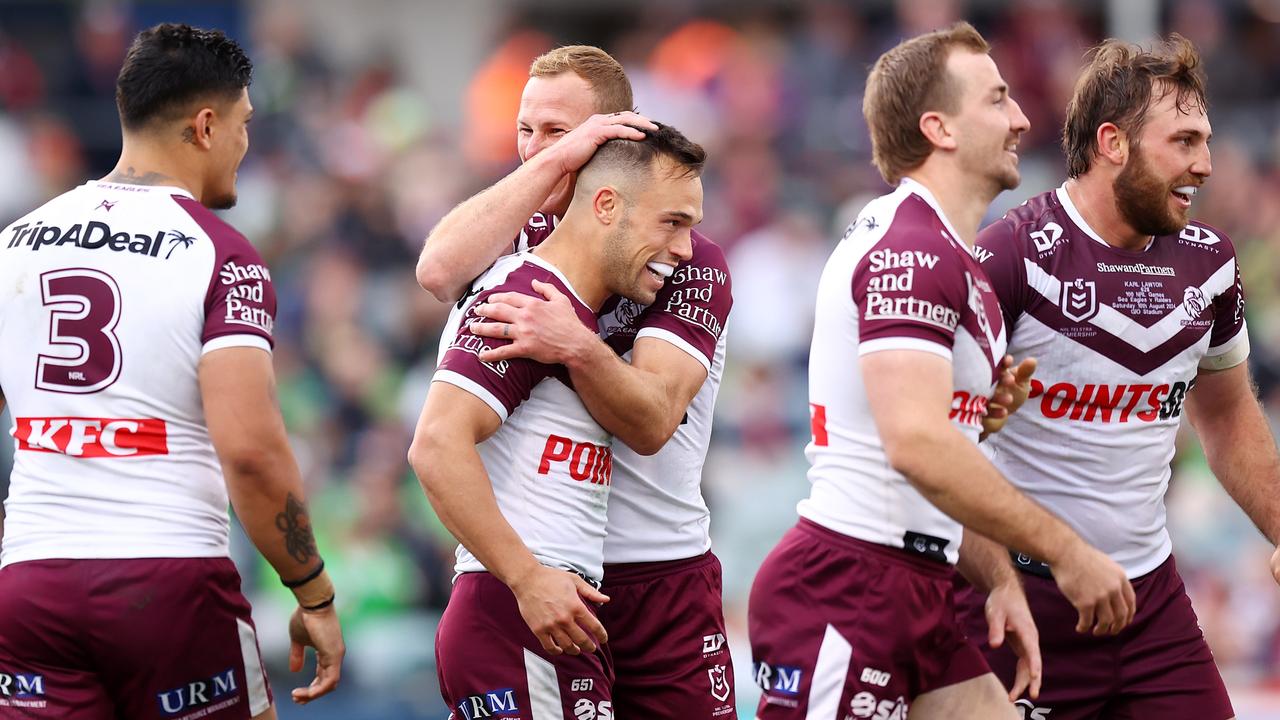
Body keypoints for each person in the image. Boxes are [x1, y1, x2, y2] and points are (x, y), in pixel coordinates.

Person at [747, 22, 1135, 720]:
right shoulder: (915, 248)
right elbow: (917, 445)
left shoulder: (954, 259)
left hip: (916, 586)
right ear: (940, 128)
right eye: (996, 100)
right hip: (850, 586)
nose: (1021, 118)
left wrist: (996, 578)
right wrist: (1064, 554)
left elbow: (939, 449)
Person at [0, 23, 343, 720]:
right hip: (166, 583)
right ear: (207, 125)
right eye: (245, 125)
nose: (247, 147)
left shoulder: (14, 243)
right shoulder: (223, 254)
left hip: (31, 585)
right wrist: (313, 594)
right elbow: (250, 453)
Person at [957, 33, 1280, 720]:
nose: (1207, 165)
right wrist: (997, 580)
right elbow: (946, 446)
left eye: (1207, 141)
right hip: (1022, 605)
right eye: (1185, 142)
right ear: (1113, 143)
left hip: (1151, 604)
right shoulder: (1012, 255)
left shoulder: (1211, 263)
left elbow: (1226, 418)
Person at [417, 46, 737, 718]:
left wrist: (575, 345)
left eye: (560, 134)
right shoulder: (514, 254)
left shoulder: (687, 257)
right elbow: (436, 273)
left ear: (616, 133)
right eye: (525, 131)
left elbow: (652, 421)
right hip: (533, 573)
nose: (537, 153)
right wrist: (523, 574)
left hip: (658, 572)